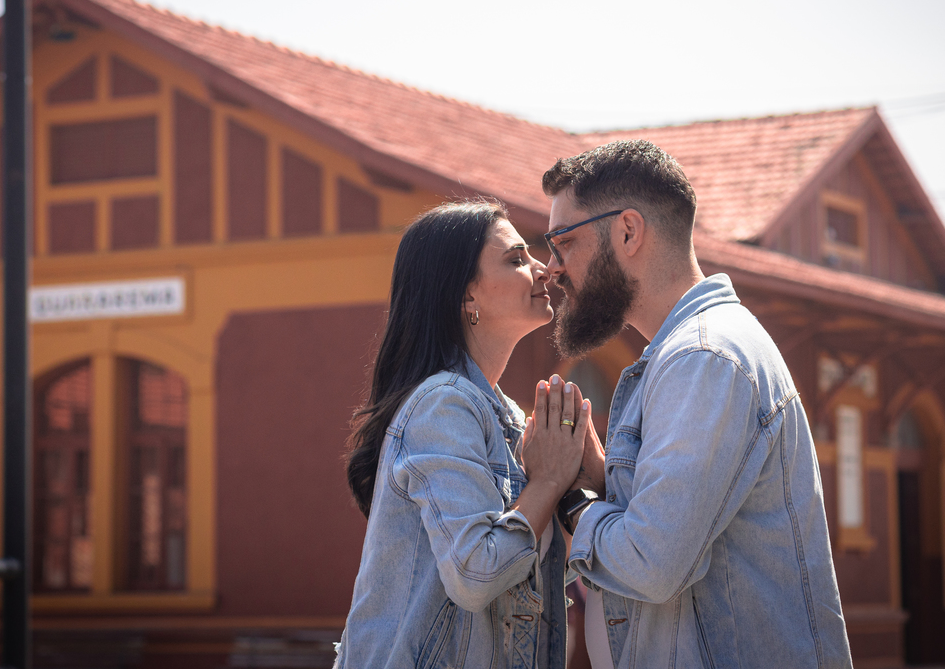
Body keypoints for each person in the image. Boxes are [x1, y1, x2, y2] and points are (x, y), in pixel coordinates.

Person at [540, 141, 853, 668]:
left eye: (563, 242)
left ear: (628, 231)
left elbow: (651, 561)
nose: (551, 268)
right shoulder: (687, 355)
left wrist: (569, 496)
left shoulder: (703, 358)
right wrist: (599, 478)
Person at [336, 199, 591, 668]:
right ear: (465, 297)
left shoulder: (506, 416)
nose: (543, 270)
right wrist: (548, 484)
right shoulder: (442, 403)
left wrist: (589, 471)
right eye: (516, 259)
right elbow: (476, 571)